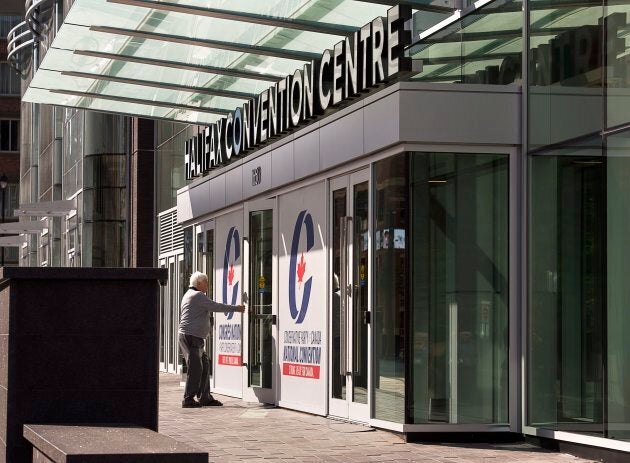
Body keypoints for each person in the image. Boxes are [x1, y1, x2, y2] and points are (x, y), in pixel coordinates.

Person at [179, 271, 245, 408]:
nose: (208, 285)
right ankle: (188, 399)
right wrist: (236, 308)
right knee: (196, 368)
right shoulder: (198, 295)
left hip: (189, 335)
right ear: (199, 283)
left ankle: (204, 397)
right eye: (206, 282)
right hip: (193, 337)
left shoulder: (188, 294)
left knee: (204, 364)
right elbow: (216, 306)